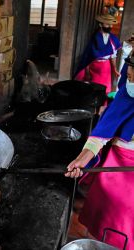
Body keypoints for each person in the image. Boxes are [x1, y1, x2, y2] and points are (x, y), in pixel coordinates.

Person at [65, 55, 134, 249]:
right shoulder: (126, 95)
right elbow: (101, 134)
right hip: (117, 165)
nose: (129, 82)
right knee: (108, 216)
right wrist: (81, 160)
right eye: (128, 77)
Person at [75, 14, 121, 94]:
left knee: (104, 90)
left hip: (105, 67)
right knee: (92, 89)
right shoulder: (95, 38)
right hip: (93, 66)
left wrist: (115, 69)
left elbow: (113, 56)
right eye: (107, 24)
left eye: (111, 24)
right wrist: (87, 71)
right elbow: (88, 56)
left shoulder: (113, 39)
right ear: (100, 24)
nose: (110, 26)